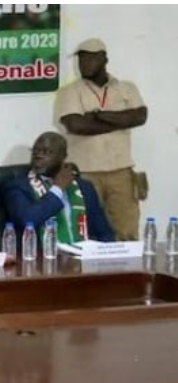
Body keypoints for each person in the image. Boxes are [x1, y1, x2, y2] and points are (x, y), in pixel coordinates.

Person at [55, 38, 147, 240]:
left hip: (121, 172)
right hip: (84, 174)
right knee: (87, 233)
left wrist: (97, 115)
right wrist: (121, 119)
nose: (83, 63)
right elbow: (76, 125)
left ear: (104, 59)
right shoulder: (69, 92)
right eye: (81, 59)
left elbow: (140, 117)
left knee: (126, 233)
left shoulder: (127, 88)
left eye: (89, 58)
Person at [4, 132, 115, 244]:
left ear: (63, 156)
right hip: (42, 256)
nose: (39, 156)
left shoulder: (84, 187)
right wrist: (57, 189)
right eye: (36, 151)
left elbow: (104, 232)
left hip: (82, 254)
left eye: (47, 152)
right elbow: (27, 220)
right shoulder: (17, 186)